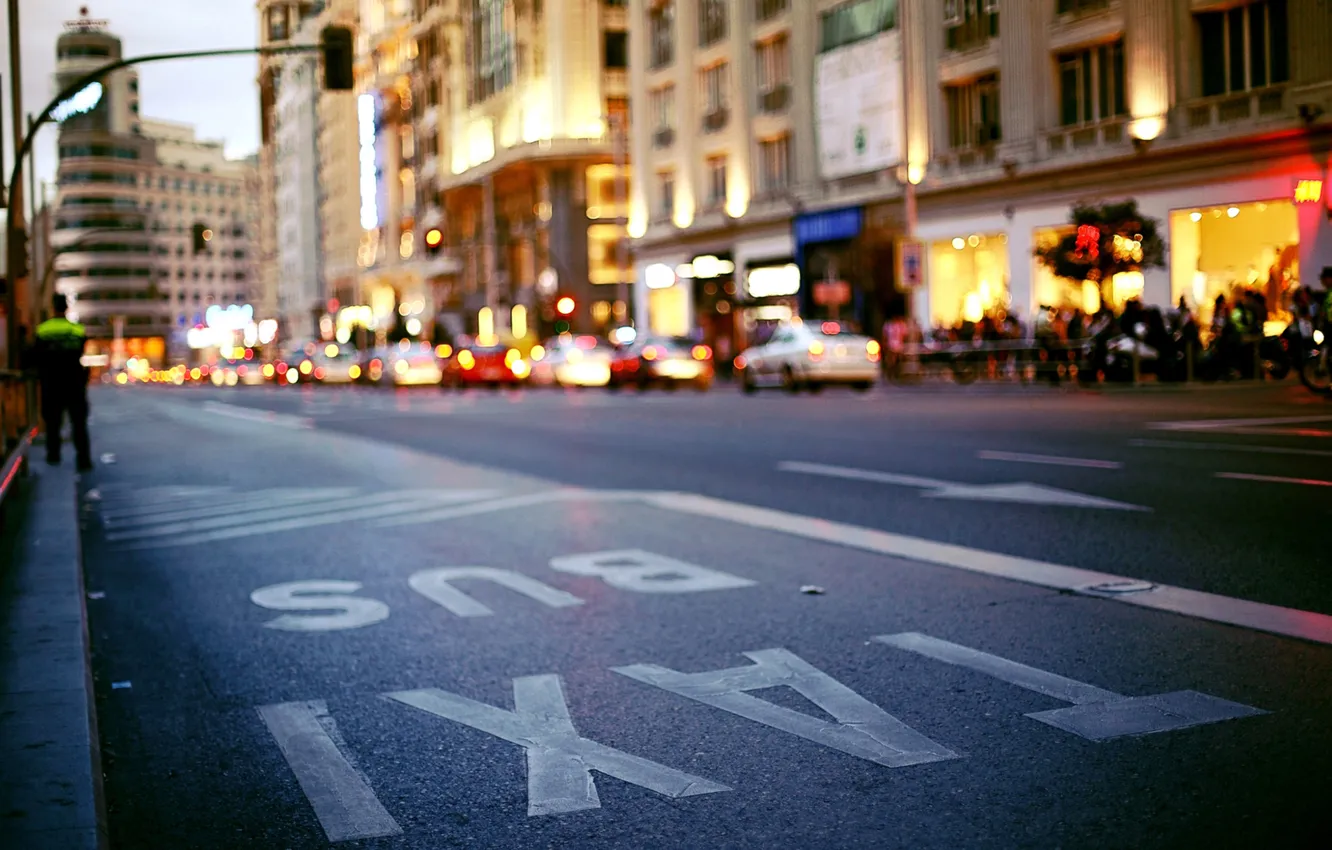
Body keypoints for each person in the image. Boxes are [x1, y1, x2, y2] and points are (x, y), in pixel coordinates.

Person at [31, 294, 93, 471]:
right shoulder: (77, 329)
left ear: (53, 308)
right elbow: (81, 350)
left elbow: (36, 354)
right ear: (66, 308)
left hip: (51, 382)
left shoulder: (43, 330)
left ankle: (53, 456)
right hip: (74, 382)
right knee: (79, 424)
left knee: (52, 423)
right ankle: (83, 461)